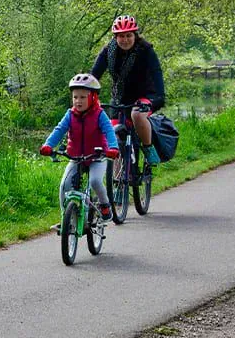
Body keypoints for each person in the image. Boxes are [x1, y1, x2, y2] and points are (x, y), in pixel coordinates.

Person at [39, 73, 120, 222]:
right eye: (75, 97)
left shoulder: (99, 115)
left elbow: (109, 131)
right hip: (75, 157)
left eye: (83, 97)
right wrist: (48, 145)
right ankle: (66, 221)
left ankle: (105, 204)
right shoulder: (70, 115)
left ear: (93, 98)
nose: (78, 101)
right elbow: (59, 130)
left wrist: (113, 148)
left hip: (97, 157)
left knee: (95, 181)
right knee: (64, 186)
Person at [90, 14, 166, 166]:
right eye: (121, 36)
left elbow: (157, 73)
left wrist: (159, 97)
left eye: (128, 35)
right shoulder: (108, 51)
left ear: (135, 35)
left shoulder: (146, 50)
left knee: (137, 115)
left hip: (146, 95)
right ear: (115, 37)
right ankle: (117, 179)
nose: (125, 40)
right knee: (113, 135)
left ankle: (148, 149)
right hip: (120, 98)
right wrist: (86, 95)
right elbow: (94, 76)